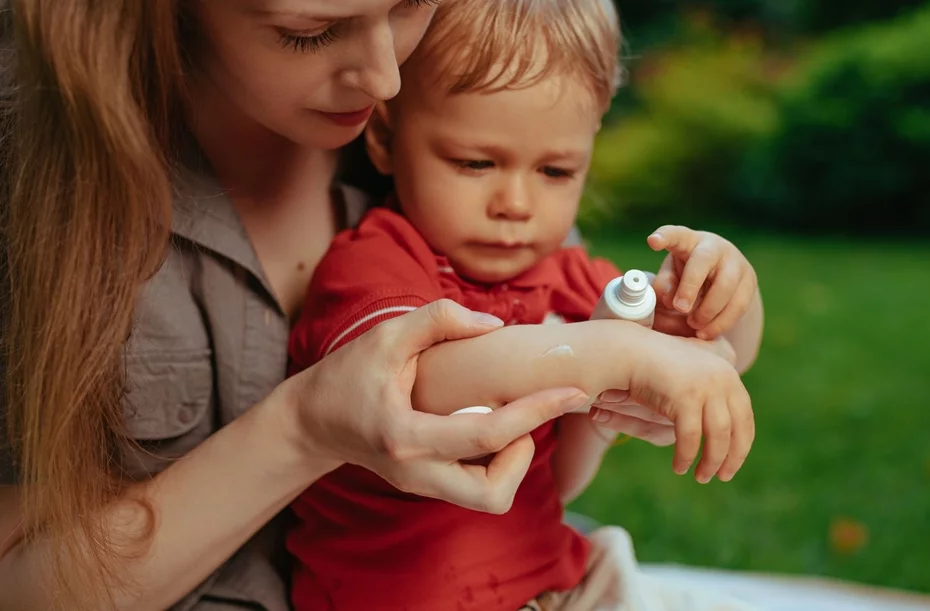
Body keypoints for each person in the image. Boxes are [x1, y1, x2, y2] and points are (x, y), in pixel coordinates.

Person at [0, 1, 744, 610]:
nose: (387, 76)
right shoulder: (35, 168)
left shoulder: (464, 74)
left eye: (410, 5)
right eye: (310, 30)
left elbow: (657, 371)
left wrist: (712, 316)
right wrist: (608, 353)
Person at [285, 0, 764, 609]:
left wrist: (722, 300)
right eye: (475, 162)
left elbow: (726, 354)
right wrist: (611, 352)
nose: (515, 202)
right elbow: (406, 387)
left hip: (552, 583)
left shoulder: (564, 274)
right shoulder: (374, 263)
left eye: (557, 171)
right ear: (385, 136)